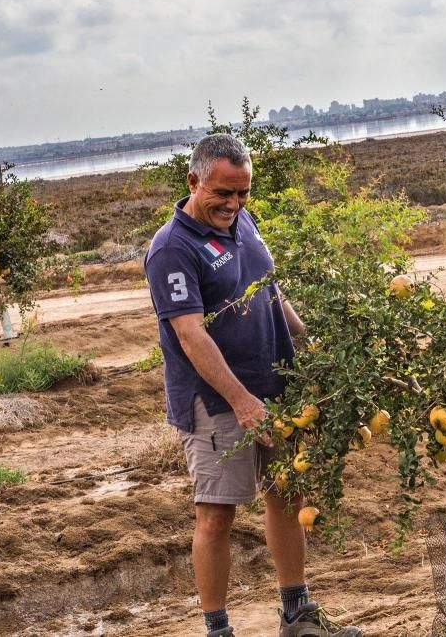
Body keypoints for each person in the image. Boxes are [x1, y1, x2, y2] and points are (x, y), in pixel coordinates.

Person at [145, 133, 362, 637]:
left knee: (287, 493)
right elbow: (189, 333)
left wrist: (310, 345)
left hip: (276, 387)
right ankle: (218, 630)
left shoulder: (243, 221)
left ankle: (296, 615)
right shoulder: (171, 250)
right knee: (216, 516)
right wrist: (241, 401)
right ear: (193, 181)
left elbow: (270, 291)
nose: (234, 204)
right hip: (218, 402)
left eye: (243, 193)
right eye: (223, 193)